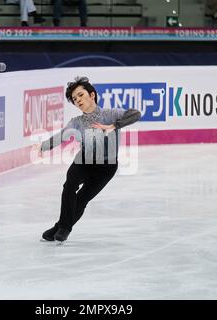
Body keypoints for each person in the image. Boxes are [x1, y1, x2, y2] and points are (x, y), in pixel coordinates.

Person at [35, 76, 141, 242]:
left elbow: (136, 114)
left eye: (80, 95)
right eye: (74, 99)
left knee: (82, 199)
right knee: (69, 185)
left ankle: (59, 227)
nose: (78, 100)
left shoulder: (110, 114)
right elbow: (62, 135)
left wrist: (113, 126)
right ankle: (64, 229)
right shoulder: (76, 122)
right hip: (83, 161)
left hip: (107, 167)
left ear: (92, 95)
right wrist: (43, 146)